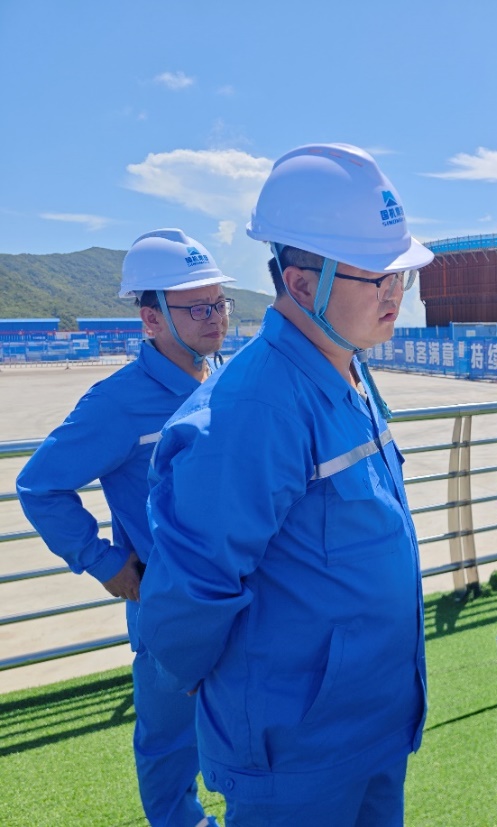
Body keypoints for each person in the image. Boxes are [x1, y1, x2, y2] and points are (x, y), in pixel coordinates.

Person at [137, 143, 432, 827]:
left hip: (373, 721)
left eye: (401, 276)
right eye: (377, 278)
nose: (395, 295)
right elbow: (189, 597)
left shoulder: (347, 368)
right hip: (299, 751)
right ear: (301, 285)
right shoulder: (254, 408)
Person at [17, 228, 234, 827]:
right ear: (151, 318)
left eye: (219, 302)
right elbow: (40, 486)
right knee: (169, 747)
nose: (216, 317)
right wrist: (105, 562)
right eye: (197, 307)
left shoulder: (227, 379)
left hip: (240, 597)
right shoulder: (117, 402)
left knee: (252, 728)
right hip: (168, 606)